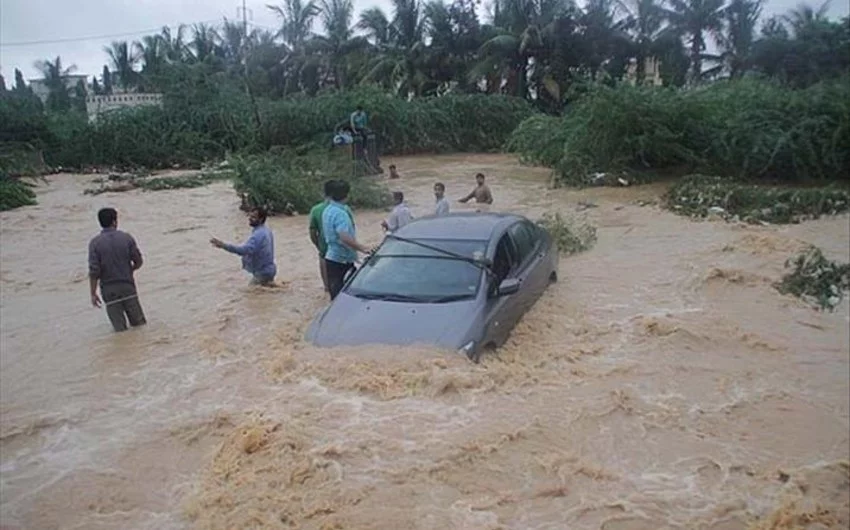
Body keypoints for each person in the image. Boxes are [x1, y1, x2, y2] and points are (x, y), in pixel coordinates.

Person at [88, 207, 147, 332]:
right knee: (140, 325)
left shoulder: (94, 243)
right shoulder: (126, 238)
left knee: (120, 330)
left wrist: (93, 293)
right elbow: (139, 261)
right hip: (127, 285)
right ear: (114, 221)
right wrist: (130, 270)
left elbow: (94, 272)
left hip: (109, 290)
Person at [322, 180, 373, 300]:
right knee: (346, 298)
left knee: (335, 297)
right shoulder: (341, 214)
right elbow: (344, 237)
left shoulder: (327, 210)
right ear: (346, 195)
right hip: (343, 260)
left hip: (331, 258)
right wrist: (363, 248)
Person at [210, 207, 277, 286]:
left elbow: (243, 250)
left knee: (251, 294)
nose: (250, 219)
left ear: (261, 219)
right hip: (269, 269)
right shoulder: (266, 230)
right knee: (266, 293)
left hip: (262, 272)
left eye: (253, 217)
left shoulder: (258, 235)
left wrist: (223, 245)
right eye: (250, 216)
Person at [309, 180, 354, 292]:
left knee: (329, 288)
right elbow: (350, 230)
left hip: (326, 251)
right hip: (343, 254)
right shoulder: (344, 209)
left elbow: (312, 232)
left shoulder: (316, 210)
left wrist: (318, 246)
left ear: (324, 193)